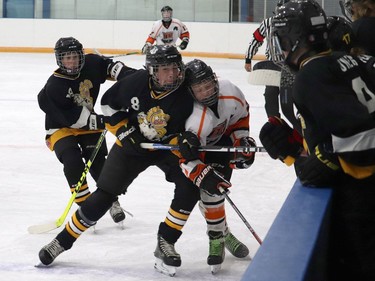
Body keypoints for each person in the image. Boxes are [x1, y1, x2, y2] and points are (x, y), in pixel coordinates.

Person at [37, 46, 233, 273]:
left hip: (167, 148)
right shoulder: (136, 82)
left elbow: (200, 121)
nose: (172, 74)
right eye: (164, 69)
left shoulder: (187, 91)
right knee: (103, 197)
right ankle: (61, 241)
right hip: (132, 145)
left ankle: (166, 242)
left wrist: (187, 139)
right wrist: (122, 131)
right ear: (152, 71)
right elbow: (109, 104)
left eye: (174, 68)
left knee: (188, 189)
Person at [259, 0, 375, 280]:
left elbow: (363, 141)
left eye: (283, 40)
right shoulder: (348, 60)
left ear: (294, 38)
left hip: (364, 198)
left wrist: (328, 159)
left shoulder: (311, 75)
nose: (281, 47)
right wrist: (300, 151)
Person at [160, 59, 255, 274]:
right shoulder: (194, 117)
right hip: (197, 149)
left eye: (208, 86)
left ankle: (219, 236)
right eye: (199, 89)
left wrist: (241, 141)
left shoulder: (230, 90)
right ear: (191, 92)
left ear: (215, 80)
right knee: (208, 193)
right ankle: (221, 236)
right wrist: (200, 173)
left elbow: (241, 116)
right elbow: (185, 158)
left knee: (214, 195)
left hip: (221, 144)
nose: (206, 93)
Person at [37, 37, 135, 225]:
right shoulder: (55, 85)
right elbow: (73, 120)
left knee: (98, 162)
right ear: (60, 60)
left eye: (74, 56)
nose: (72, 62)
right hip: (60, 127)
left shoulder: (91, 63)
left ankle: (111, 201)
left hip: (88, 121)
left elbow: (111, 68)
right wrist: (105, 120)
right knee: (72, 160)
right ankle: (86, 206)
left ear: (81, 55)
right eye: (67, 58)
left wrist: (133, 77)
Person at [244, 0, 300, 131]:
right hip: (273, 66)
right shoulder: (268, 23)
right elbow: (256, 39)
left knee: (291, 97)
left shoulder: (297, 24)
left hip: (291, 67)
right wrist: (248, 57)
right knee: (270, 94)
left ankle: (299, 126)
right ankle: (274, 123)